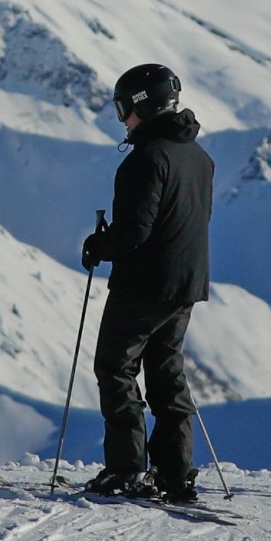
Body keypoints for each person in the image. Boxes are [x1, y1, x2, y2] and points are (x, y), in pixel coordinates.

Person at [80, 63, 214, 504]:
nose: (123, 119)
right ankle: (175, 473)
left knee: (115, 369)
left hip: (143, 285)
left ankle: (127, 469)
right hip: (186, 285)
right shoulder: (199, 158)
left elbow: (135, 231)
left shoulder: (146, 159)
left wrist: (99, 245)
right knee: (167, 374)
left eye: (124, 108)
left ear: (142, 104)